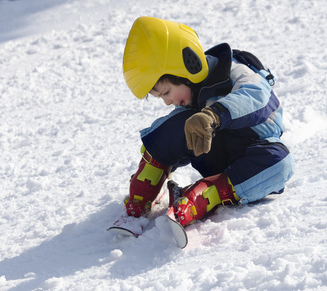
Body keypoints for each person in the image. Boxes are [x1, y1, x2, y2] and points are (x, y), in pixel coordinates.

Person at [122, 16, 294, 226]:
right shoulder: (189, 100)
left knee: (280, 163)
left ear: (186, 67)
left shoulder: (234, 70)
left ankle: (208, 195)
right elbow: (171, 134)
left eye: (166, 92)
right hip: (214, 156)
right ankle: (144, 187)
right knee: (172, 127)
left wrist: (214, 115)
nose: (167, 102)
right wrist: (158, 153)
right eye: (161, 97)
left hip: (252, 155)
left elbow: (257, 96)